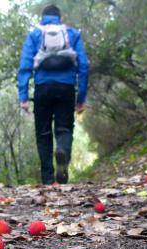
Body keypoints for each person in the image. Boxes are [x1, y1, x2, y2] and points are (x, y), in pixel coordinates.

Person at [17, 4, 89, 185]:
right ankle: (63, 152)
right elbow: (84, 67)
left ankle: (48, 179)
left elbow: (25, 66)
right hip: (66, 87)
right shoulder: (72, 34)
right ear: (61, 18)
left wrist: (23, 97)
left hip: (43, 88)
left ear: (42, 18)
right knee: (64, 128)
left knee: (43, 133)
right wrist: (81, 98)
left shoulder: (35, 35)